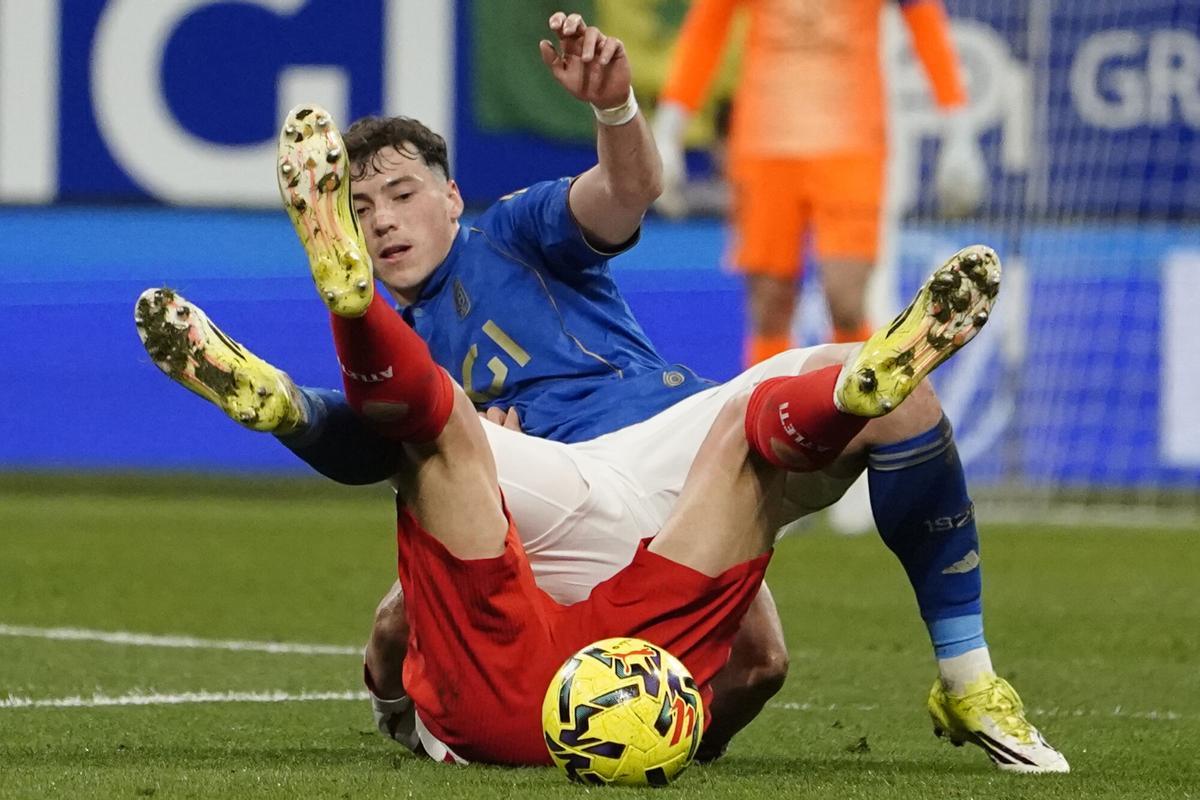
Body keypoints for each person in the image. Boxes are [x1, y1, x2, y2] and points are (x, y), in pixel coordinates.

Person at [135, 11, 1065, 772]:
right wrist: (393, 700)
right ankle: (294, 416)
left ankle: (967, 674)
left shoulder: (513, 231)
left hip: (680, 449)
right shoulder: (408, 352)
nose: (383, 220)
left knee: (773, 637)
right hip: (569, 503)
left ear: (452, 198)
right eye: (361, 208)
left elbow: (626, 195)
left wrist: (619, 109)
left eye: (402, 193)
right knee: (421, 465)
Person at [653, 0, 987, 365]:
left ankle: (857, 415)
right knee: (769, 305)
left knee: (846, 300)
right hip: (765, 144)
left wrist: (959, 130)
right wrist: (669, 130)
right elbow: (707, 28)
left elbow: (925, 22)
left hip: (851, 145)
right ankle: (767, 415)